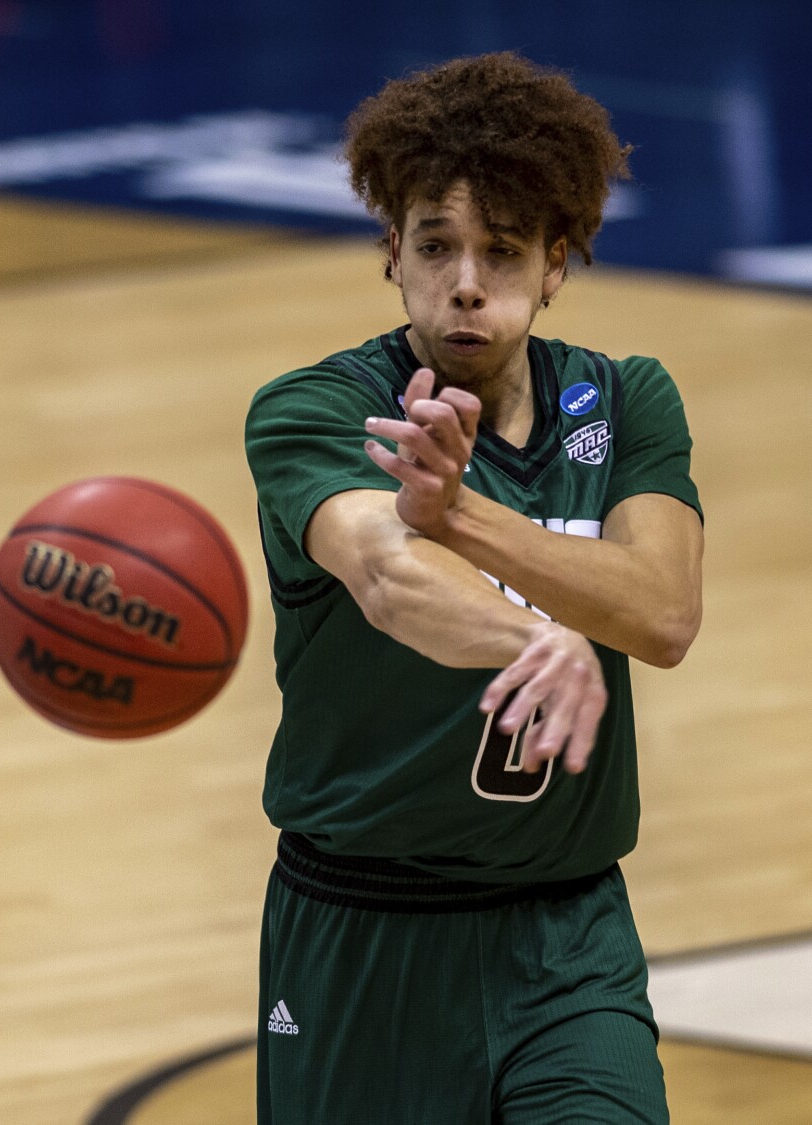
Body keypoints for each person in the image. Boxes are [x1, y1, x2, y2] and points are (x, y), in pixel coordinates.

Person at [242, 52, 705, 1125]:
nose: (463, 281)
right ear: (389, 254)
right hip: (361, 931)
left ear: (555, 264)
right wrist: (527, 639)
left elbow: (662, 613)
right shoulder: (311, 411)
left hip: (566, 937)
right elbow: (388, 571)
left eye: (499, 252)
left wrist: (463, 515)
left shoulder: (625, 401)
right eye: (434, 245)